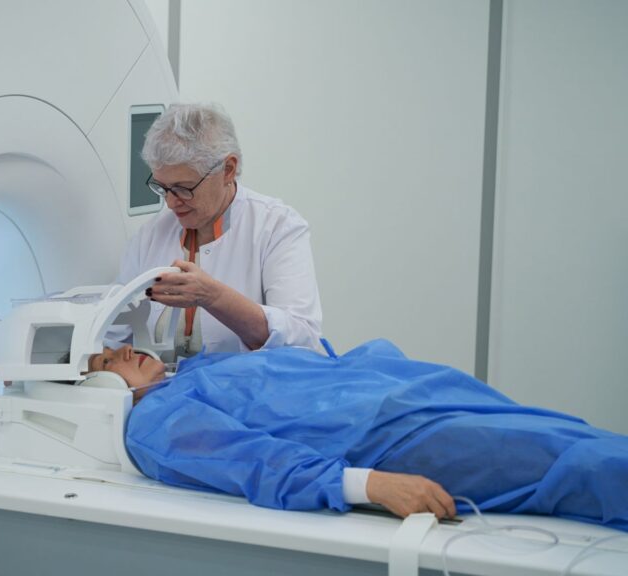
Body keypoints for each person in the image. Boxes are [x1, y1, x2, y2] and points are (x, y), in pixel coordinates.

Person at [85, 343, 628, 530]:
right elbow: (259, 463)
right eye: (108, 360)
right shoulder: (155, 422)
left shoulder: (192, 371)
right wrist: (372, 485)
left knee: (565, 432)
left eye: (117, 344)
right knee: (574, 464)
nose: (124, 352)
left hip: (404, 393)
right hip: (388, 438)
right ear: (95, 390)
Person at [119, 103, 322, 357]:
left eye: (184, 188)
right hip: (167, 393)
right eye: (162, 187)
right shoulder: (149, 236)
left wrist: (212, 296)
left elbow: (303, 340)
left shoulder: (278, 227)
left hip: (249, 391)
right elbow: (115, 338)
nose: (170, 203)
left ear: (228, 170)